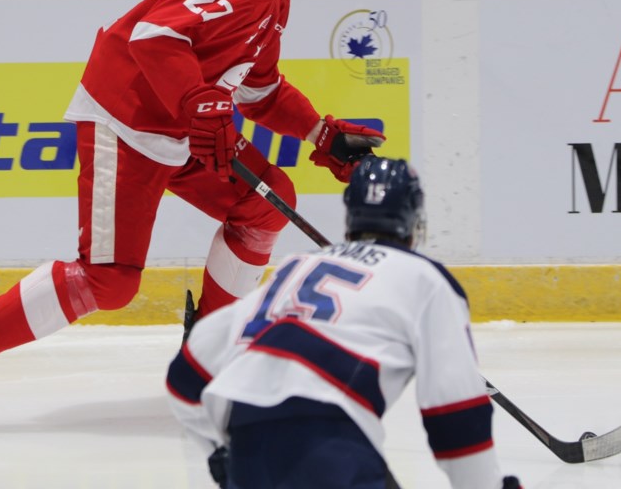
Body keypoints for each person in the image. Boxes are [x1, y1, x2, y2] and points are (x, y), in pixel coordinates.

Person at [0, 0, 385, 426]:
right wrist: (199, 102)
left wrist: (320, 134)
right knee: (109, 281)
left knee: (266, 197)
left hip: (175, 129)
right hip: (128, 120)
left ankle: (207, 350)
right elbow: (155, 36)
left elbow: (259, 91)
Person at [165, 157, 523, 489]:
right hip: (332, 448)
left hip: (249, 447)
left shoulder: (297, 268)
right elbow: (455, 417)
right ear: (415, 222)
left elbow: (184, 376)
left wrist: (220, 454)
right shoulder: (426, 279)